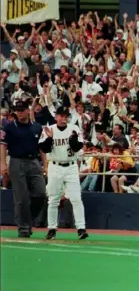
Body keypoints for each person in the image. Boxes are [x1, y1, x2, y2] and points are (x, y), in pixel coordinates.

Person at [38, 106, 89, 240]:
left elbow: (78, 146)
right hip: (55, 166)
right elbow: (43, 148)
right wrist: (49, 138)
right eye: (60, 115)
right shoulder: (50, 129)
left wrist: (73, 140)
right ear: (56, 117)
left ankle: (81, 228)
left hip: (71, 166)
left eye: (65, 116)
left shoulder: (74, 128)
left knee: (76, 198)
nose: (63, 118)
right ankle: (52, 229)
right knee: (53, 199)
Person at [0, 100, 47, 238]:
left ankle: (27, 219)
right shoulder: (9, 127)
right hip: (16, 161)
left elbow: (42, 147)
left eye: (22, 110)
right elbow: (2, 145)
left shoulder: (37, 127)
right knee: (21, 198)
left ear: (28, 110)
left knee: (41, 193)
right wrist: (2, 164)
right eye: (17, 110)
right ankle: (23, 228)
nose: (19, 113)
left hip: (34, 162)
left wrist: (45, 164)